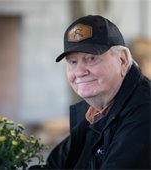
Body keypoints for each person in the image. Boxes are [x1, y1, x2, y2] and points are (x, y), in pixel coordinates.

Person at [29, 15, 150, 169]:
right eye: (73, 62)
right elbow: (54, 167)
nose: (79, 72)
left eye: (91, 58)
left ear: (123, 60)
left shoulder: (144, 112)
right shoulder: (92, 112)